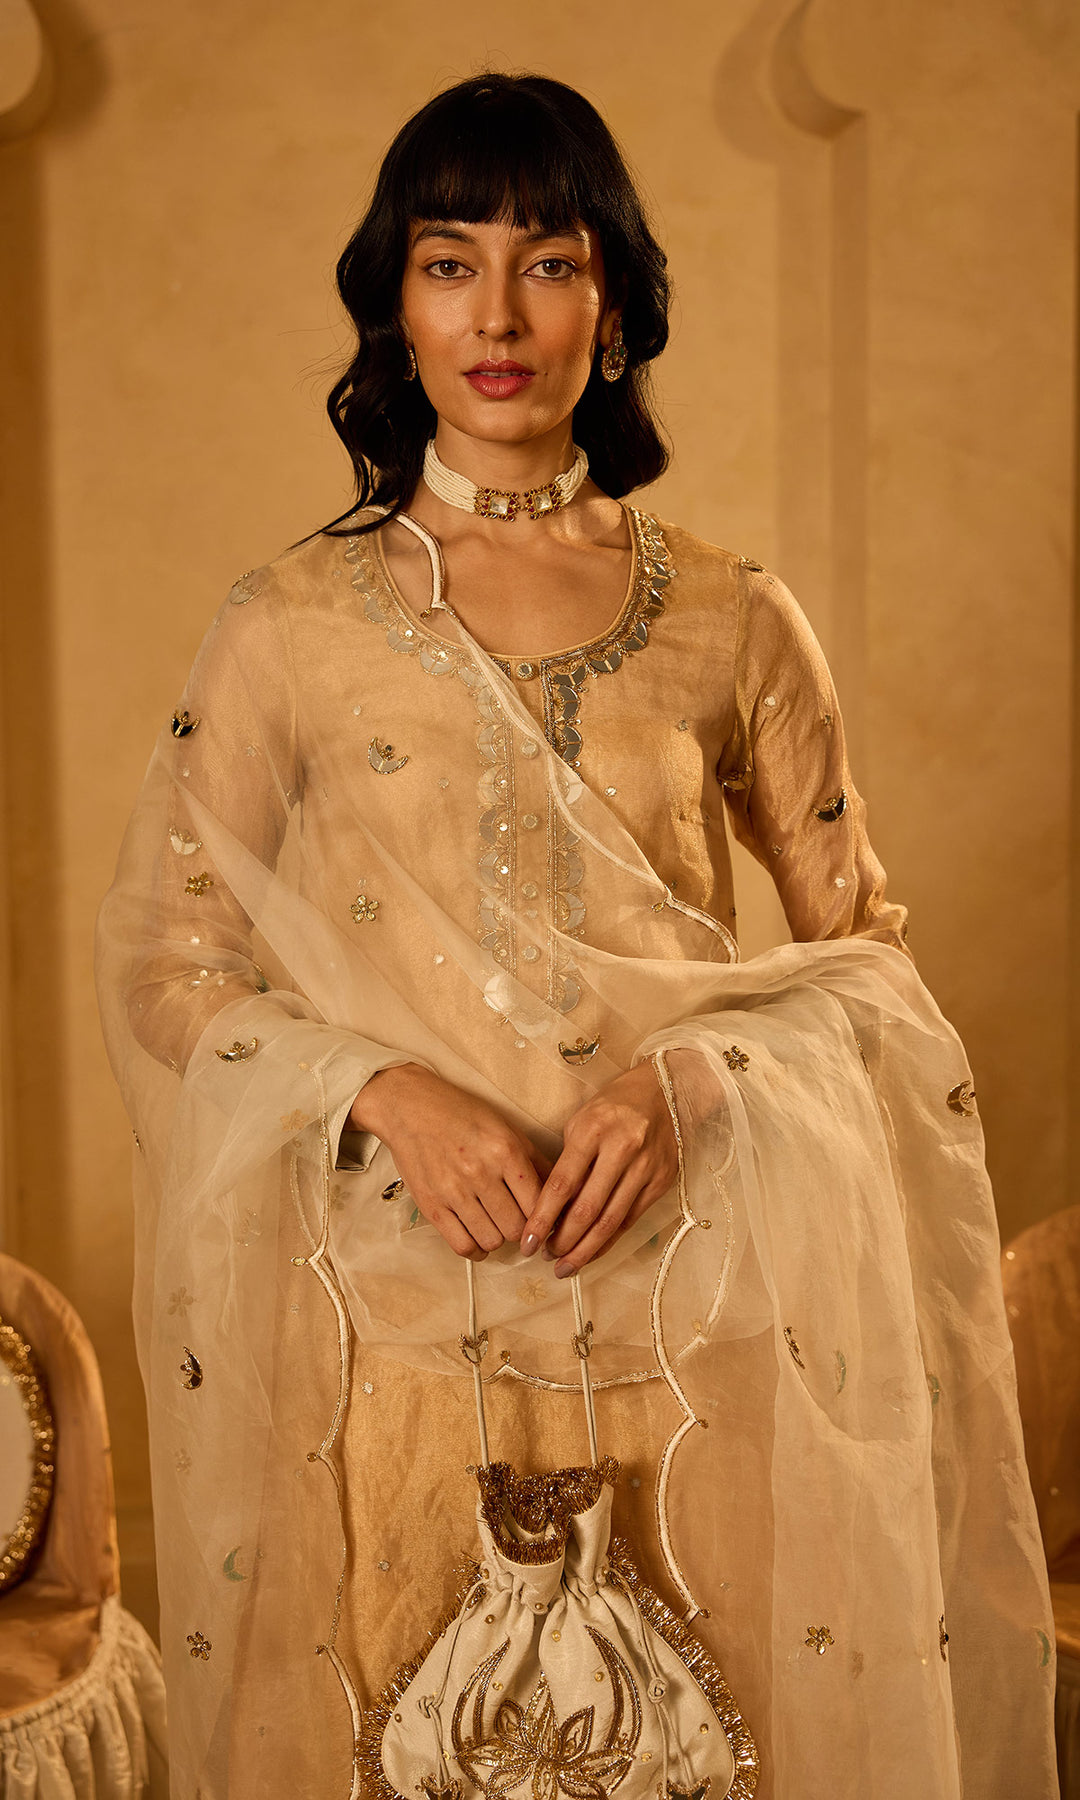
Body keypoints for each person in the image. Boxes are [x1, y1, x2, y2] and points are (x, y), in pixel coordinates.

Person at [96, 73, 1058, 1800]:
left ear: (611, 307)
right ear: (396, 306)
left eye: (547, 262)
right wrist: (382, 1090)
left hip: (705, 1316)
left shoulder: (734, 617)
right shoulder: (289, 623)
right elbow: (168, 962)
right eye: (448, 262)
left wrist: (697, 1080)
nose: (497, 315)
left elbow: (870, 967)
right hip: (396, 1339)